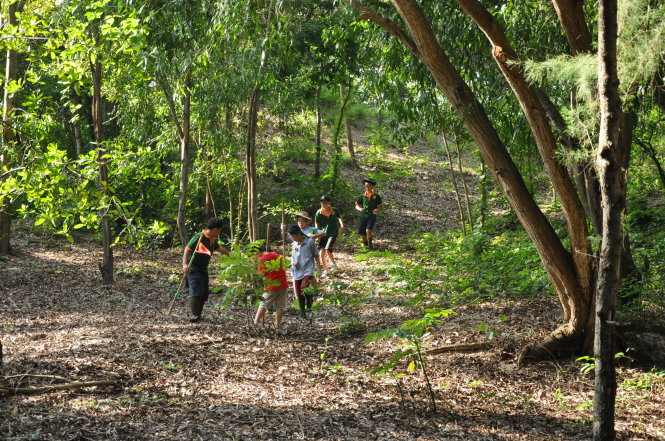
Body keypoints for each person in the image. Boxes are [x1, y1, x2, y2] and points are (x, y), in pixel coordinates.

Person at [182, 218, 230, 323]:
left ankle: (198, 315)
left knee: (203, 293)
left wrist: (233, 256)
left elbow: (221, 250)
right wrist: (185, 264)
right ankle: (194, 315)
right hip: (193, 268)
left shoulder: (212, 240)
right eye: (219, 230)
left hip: (203, 269)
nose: (219, 233)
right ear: (215, 229)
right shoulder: (199, 237)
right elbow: (187, 249)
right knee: (196, 290)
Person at [253, 244, 288, 332]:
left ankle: (255, 323)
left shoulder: (262, 260)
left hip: (271, 286)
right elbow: (283, 267)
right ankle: (277, 326)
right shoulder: (277, 255)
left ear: (257, 252)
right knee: (280, 306)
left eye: (254, 255)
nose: (254, 257)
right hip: (283, 284)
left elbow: (261, 275)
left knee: (263, 304)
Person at [287, 224, 318, 318]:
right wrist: (293, 261)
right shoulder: (294, 244)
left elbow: (316, 255)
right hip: (297, 270)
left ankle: (309, 302)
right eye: (291, 237)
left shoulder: (310, 242)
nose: (293, 239)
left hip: (308, 268)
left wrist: (319, 267)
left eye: (293, 237)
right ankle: (303, 311)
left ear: (298, 234)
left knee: (303, 286)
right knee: (299, 291)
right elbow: (292, 257)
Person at [314, 195, 344, 277]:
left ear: (329, 203)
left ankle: (333, 264)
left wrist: (342, 225)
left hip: (333, 233)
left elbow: (339, 218)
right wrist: (317, 233)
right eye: (322, 203)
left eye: (325, 203)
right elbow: (317, 224)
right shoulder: (319, 212)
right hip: (323, 234)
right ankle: (326, 269)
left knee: (327, 249)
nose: (324, 204)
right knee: (321, 253)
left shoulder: (334, 210)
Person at [355, 178, 384, 250]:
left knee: (368, 230)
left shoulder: (376, 196)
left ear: (372, 186)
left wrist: (377, 210)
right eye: (366, 186)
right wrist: (360, 209)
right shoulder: (362, 196)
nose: (367, 187)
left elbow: (380, 206)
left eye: (369, 186)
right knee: (362, 233)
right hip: (363, 216)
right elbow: (357, 205)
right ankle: (365, 245)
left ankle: (370, 246)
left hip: (372, 216)